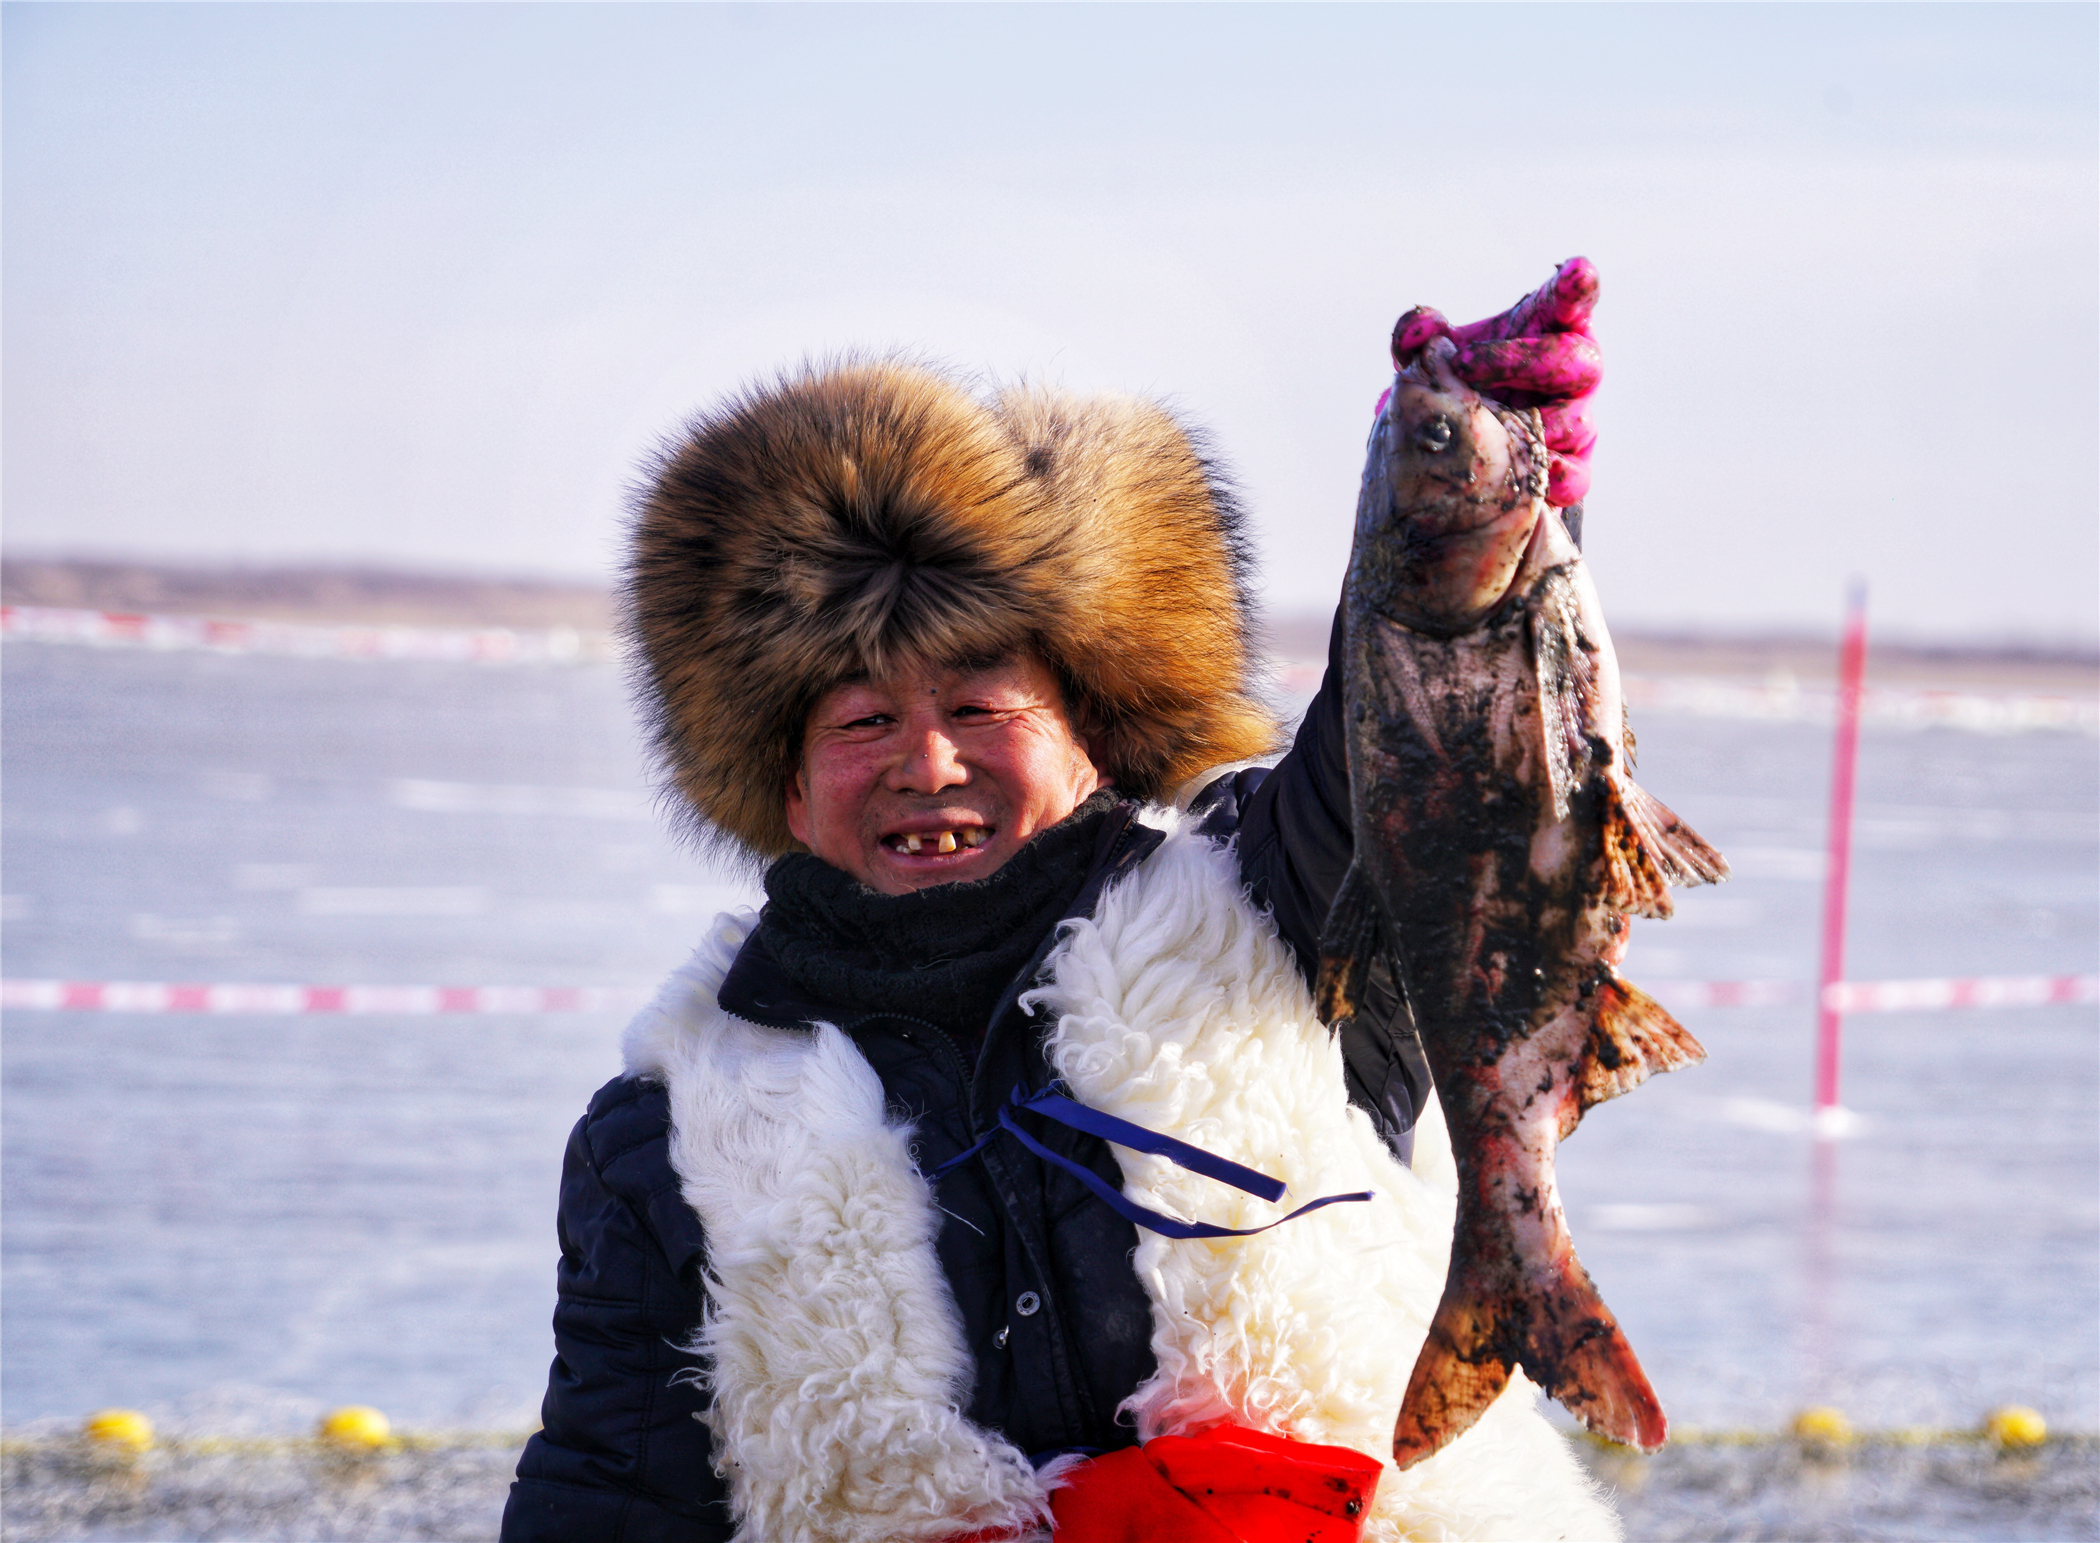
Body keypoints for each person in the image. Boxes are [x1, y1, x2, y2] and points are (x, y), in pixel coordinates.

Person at [502, 262, 1620, 1543]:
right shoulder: (666, 1140)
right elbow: (609, 1495)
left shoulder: (1279, 911)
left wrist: (1488, 503)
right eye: (864, 720)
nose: (928, 764)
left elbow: (1432, 745)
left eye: (980, 706)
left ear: (1095, 727)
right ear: (788, 788)